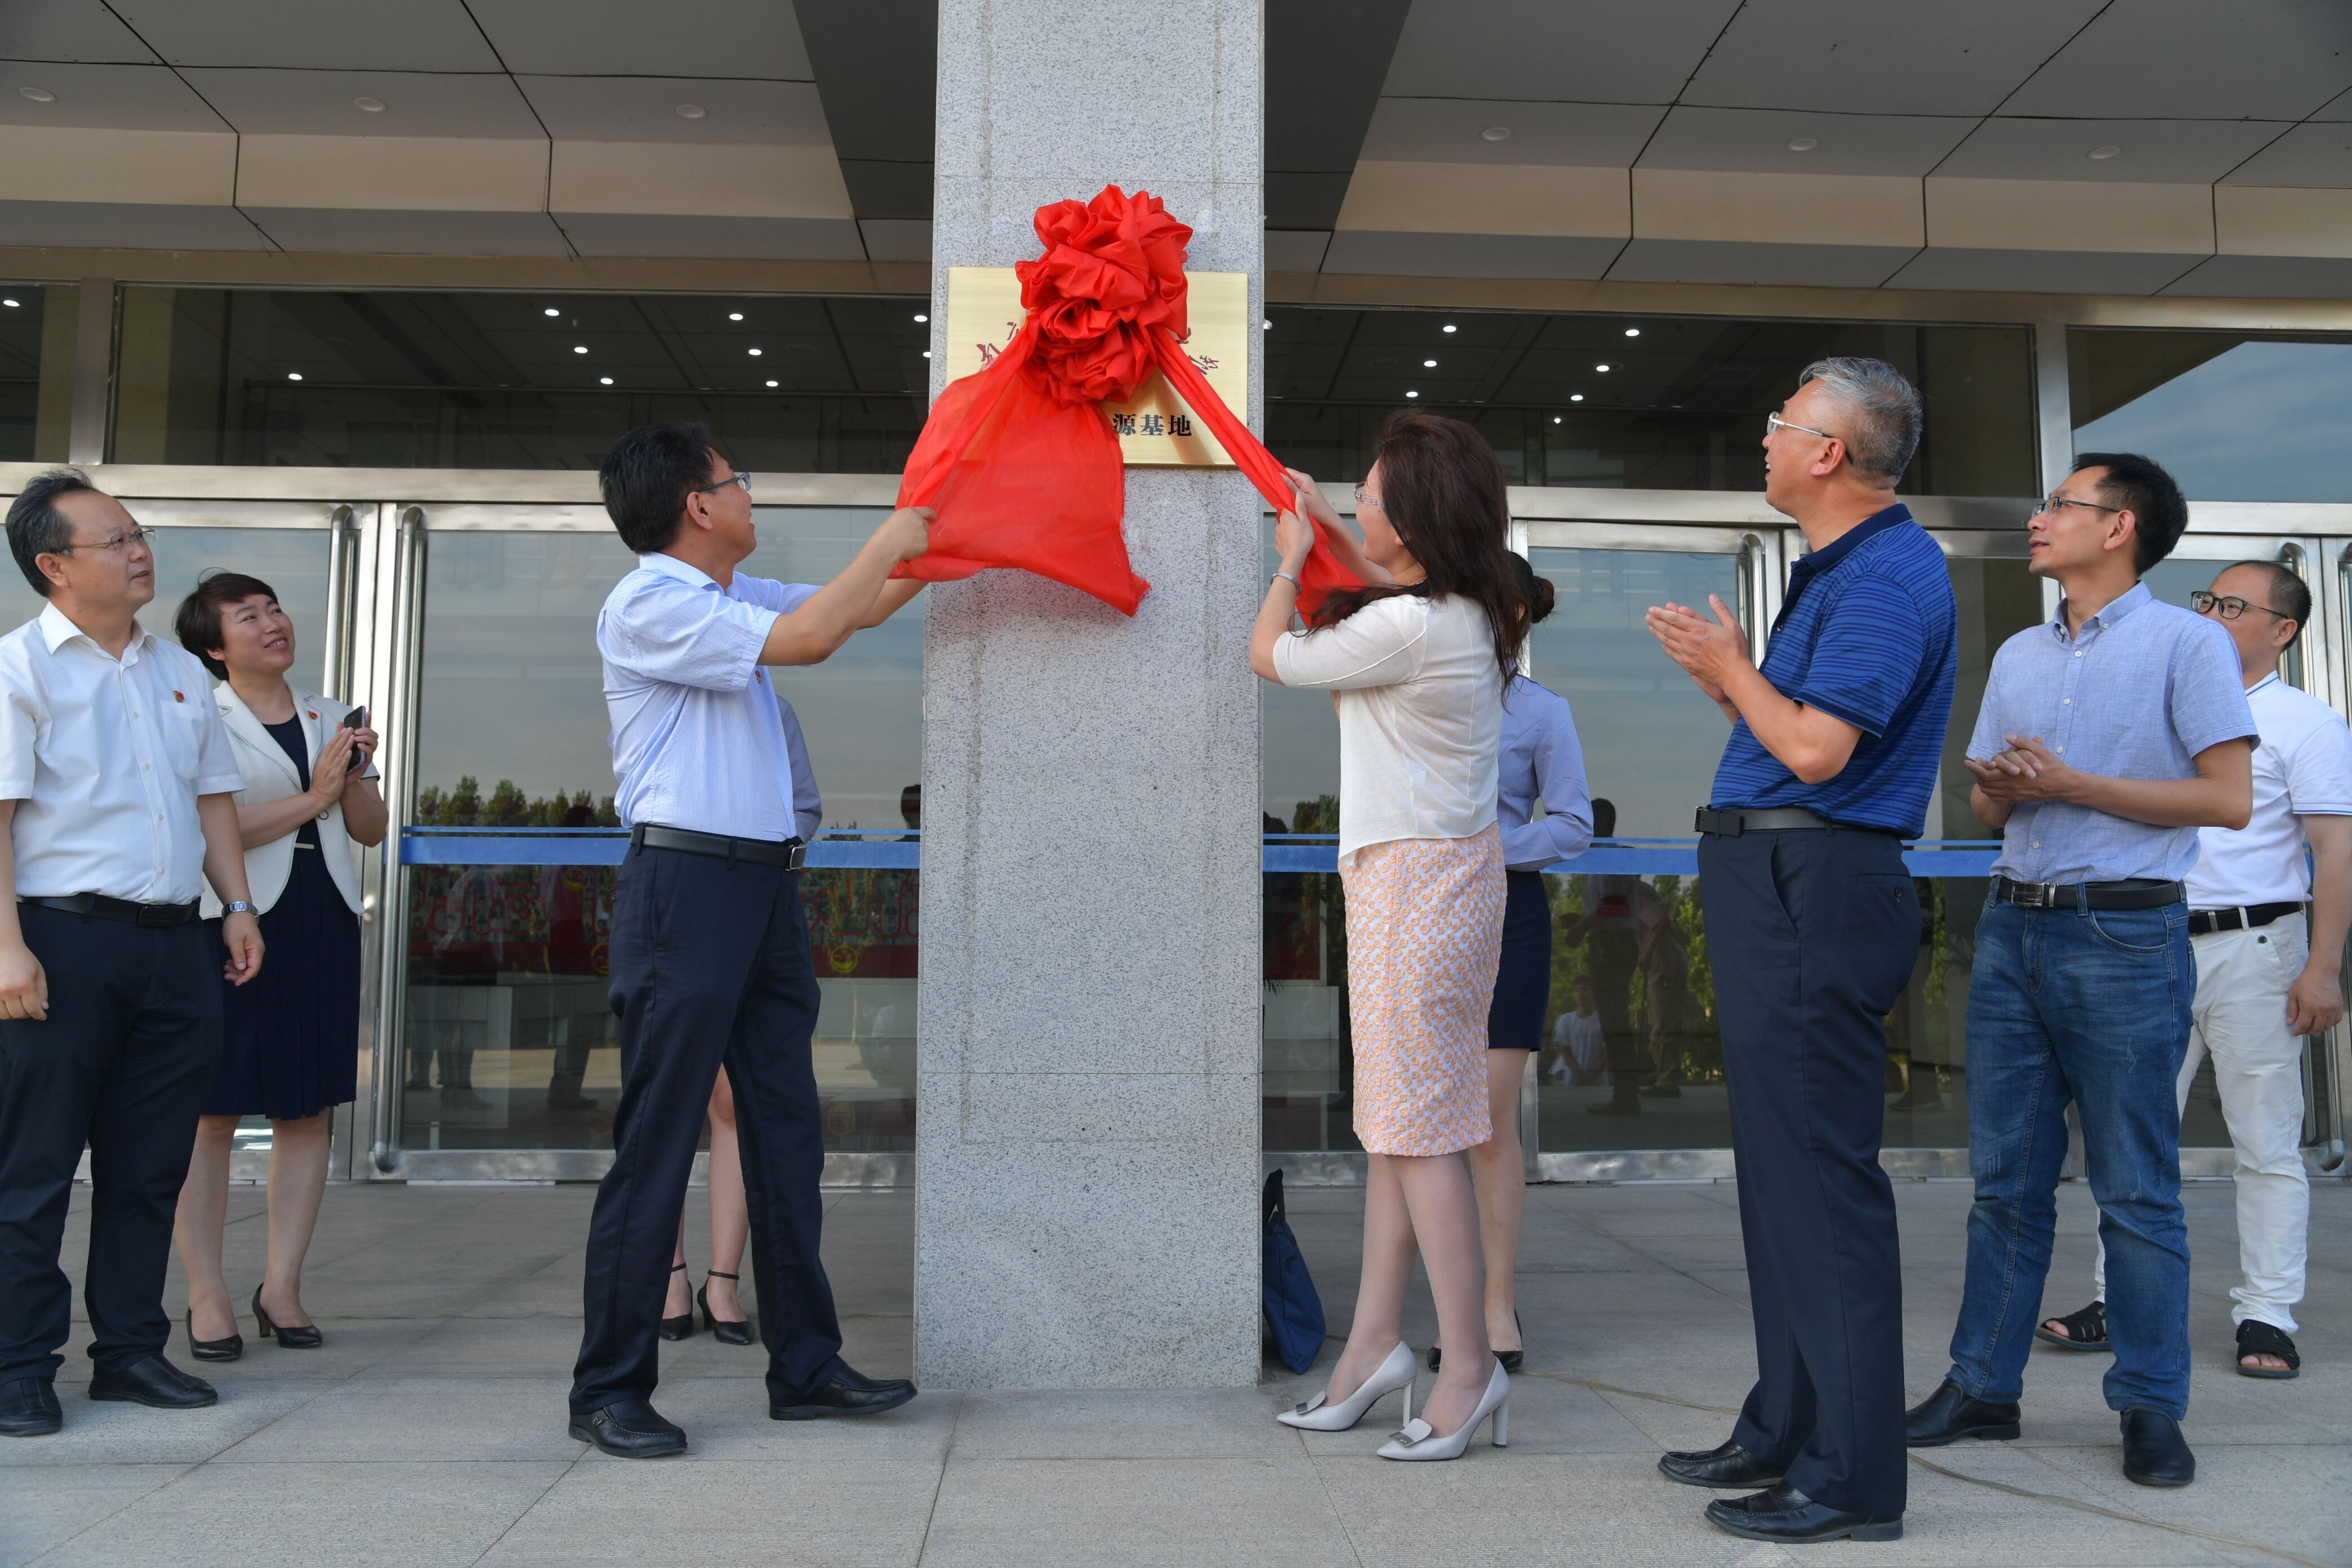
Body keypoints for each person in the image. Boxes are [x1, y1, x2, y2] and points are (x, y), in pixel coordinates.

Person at [567, 422, 929, 1458]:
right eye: (738, 481)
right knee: (659, 1141)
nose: (748, 496)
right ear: (696, 504)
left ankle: (805, 1363)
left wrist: (951, 541)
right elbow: (815, 635)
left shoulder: (725, 599)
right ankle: (609, 1383)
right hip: (685, 884)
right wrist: (895, 530)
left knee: (784, 1138)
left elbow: (847, 612)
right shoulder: (650, 601)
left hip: (763, 889)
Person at [1645, 359, 1956, 1544]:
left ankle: (1853, 1478)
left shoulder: (1883, 576)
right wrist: (1734, 690)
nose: (1765, 439)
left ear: (1828, 453)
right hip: (1784, 874)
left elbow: (1823, 755)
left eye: (1781, 423)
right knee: (1783, 1176)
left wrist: (1735, 675)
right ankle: (1785, 1422)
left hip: (1813, 881)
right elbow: (1795, 740)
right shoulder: (1846, 569)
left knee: (1820, 1181)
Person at [1905, 455, 2255, 1491]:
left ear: (2121, 526)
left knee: (2135, 1187)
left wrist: (2070, 782)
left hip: (2126, 936)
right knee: (2003, 1183)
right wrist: (2010, 790)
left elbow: (2227, 798)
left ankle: (2150, 1404)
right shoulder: (2017, 650)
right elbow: (1985, 809)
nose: (2037, 516)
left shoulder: (2186, 642)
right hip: (2015, 929)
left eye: (2061, 503)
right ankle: (1983, 1386)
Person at [1253, 415, 1522, 1463]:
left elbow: (1270, 654)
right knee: (1402, 1125)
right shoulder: (1449, 612)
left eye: (1368, 494)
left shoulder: (1411, 625)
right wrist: (1315, 514)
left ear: (1411, 518)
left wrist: (1287, 562)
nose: (1357, 508)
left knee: (1418, 1131)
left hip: (1416, 882)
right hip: (1426, 879)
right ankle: (1373, 1345)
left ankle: (1466, 1363)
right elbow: (1359, 569)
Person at [0, 470, 266, 1438]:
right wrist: (7, 948)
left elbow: (211, 801)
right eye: (114, 539)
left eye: (138, 532)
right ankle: (18, 1363)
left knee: (147, 1164)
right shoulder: (19, 668)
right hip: (57, 940)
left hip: (173, 941)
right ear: (54, 566)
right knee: (31, 1167)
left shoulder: (179, 671)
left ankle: (128, 1351)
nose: (138, 549)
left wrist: (236, 904)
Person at [2036, 560, 2344, 1382]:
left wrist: (2324, 966)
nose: (2209, 614)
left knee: (2266, 1142)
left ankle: (2267, 1315)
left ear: (2282, 631)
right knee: (2131, 1141)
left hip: (2255, 951)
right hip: (2145, 942)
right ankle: (2119, 1299)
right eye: (2204, 598)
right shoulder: (2160, 706)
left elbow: (2334, 849)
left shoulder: (2305, 723)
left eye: (2232, 606)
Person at [168, 573, 387, 1360]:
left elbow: (367, 829)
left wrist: (354, 777)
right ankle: (206, 1294)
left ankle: (283, 1287)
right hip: (231, 917)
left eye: (275, 610)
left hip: (321, 916)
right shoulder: (198, 716)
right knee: (212, 1112)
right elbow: (206, 829)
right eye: (247, 617)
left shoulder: (331, 715)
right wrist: (315, 795)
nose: (272, 624)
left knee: (307, 1109)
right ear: (215, 648)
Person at [1431, 552, 1591, 1377]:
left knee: (1487, 1122)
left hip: (1506, 913)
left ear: (1517, 615)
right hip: (1421, 915)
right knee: (1427, 1121)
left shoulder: (1541, 712)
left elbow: (1571, 824)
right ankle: (1450, 1300)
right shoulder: (1421, 687)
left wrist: (1490, 847)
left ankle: (1495, 1302)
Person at [658, 693, 822, 1349]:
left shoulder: (777, 711)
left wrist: (758, 859)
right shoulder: (667, 702)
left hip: (757, 907)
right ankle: (668, 1278)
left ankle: (721, 1284)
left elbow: (804, 805)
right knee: (668, 1100)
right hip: (679, 904)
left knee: (733, 1100)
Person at [1548, 983, 1606, 1085]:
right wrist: (1580, 1075)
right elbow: (1565, 1051)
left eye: (1585, 989)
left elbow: (1607, 1053)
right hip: (1573, 1079)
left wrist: (1590, 1076)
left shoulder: (1603, 1021)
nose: (1580, 993)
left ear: (1593, 993)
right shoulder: (1565, 1020)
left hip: (1598, 1080)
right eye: (1577, 990)